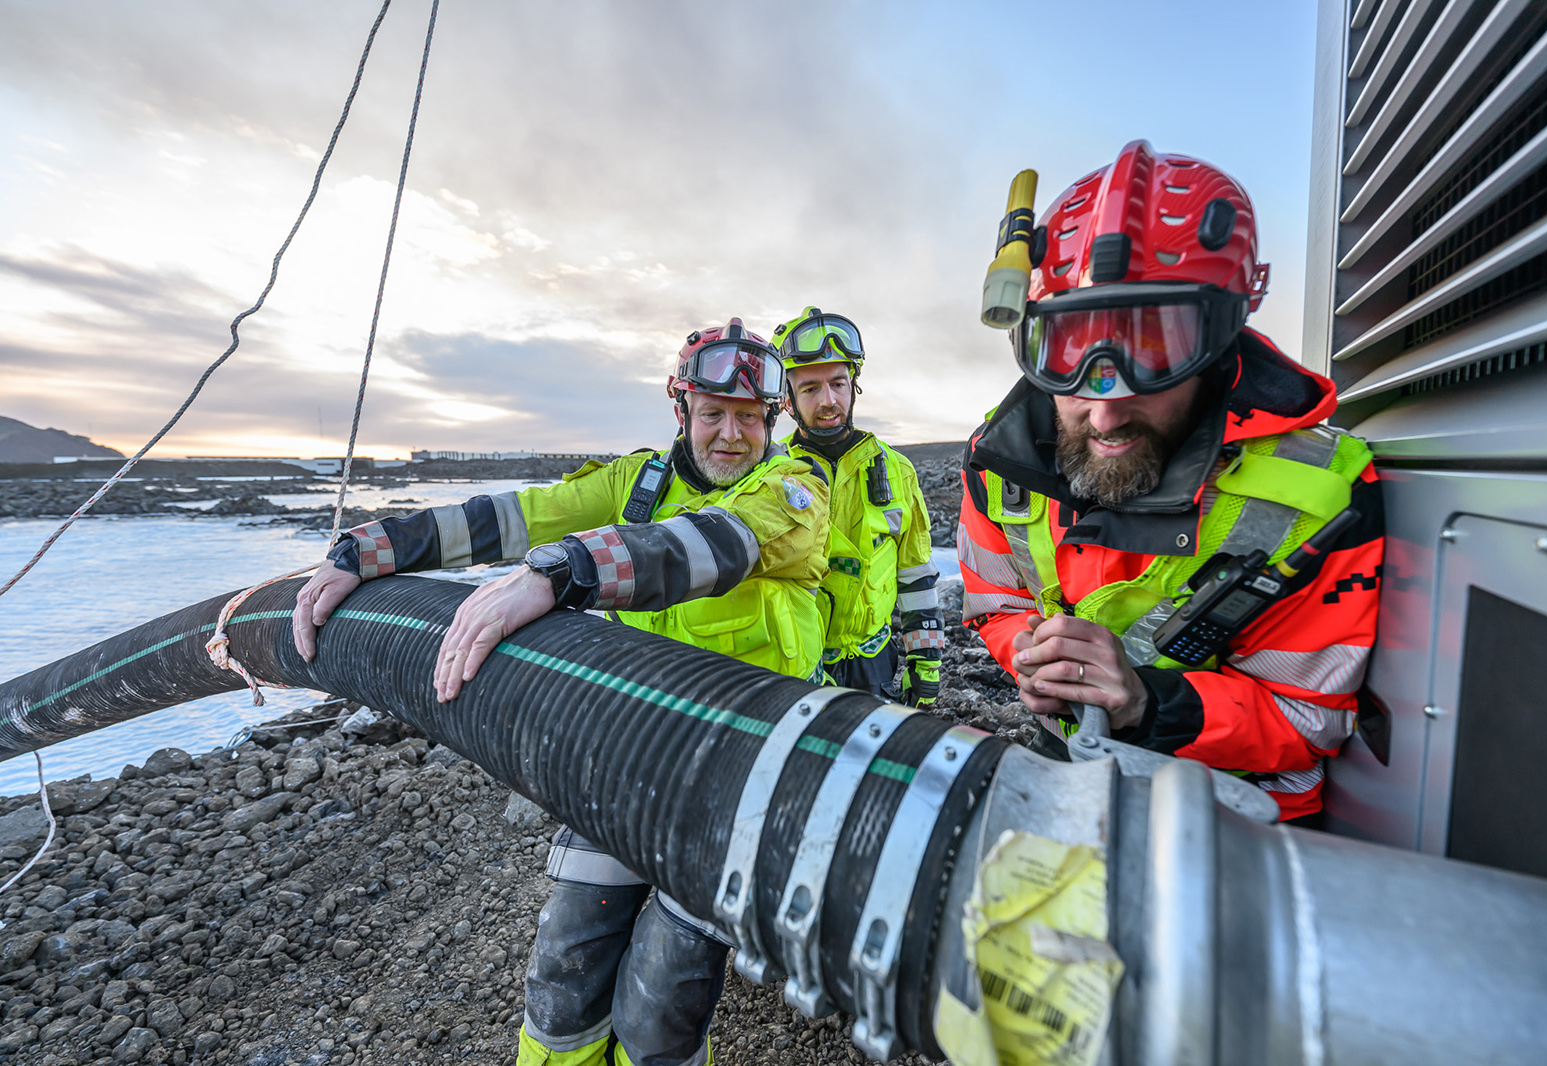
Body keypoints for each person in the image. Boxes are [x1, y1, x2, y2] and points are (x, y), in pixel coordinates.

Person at [291, 319, 830, 1066]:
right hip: (625, 753)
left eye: (748, 418)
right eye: (713, 414)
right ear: (682, 412)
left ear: (771, 422)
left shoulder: (796, 488)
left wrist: (561, 573)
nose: (732, 435)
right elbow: (516, 517)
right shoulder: (637, 484)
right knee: (565, 968)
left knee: (665, 997)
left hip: (736, 771)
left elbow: (720, 541)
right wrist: (369, 550)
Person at [957, 141, 1384, 820]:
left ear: (1218, 342)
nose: (1103, 408)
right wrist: (1033, 656)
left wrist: (1149, 703)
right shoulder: (996, 468)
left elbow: (1308, 720)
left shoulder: (1319, 496)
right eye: (1069, 350)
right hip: (1068, 786)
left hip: (1240, 826)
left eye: (1156, 349)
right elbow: (996, 607)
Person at [773, 307, 944, 705]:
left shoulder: (897, 470)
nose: (829, 400)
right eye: (811, 388)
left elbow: (916, 575)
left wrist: (927, 662)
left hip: (874, 663)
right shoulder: (771, 477)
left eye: (838, 383)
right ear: (787, 400)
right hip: (793, 665)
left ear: (854, 385)